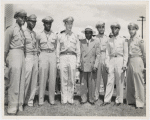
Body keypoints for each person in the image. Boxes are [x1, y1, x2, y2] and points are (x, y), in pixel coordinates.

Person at [5, 9, 27, 115]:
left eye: (24, 17)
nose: (23, 19)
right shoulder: (10, 29)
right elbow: (5, 47)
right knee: (14, 82)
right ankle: (12, 107)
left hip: (21, 55)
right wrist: (5, 61)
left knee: (21, 81)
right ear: (16, 18)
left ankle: (19, 104)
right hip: (13, 54)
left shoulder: (22, 31)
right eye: (21, 17)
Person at [101, 23, 128, 106]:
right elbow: (107, 53)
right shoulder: (109, 40)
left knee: (119, 80)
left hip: (120, 59)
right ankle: (107, 100)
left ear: (119, 29)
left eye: (116, 28)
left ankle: (119, 100)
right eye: (112, 28)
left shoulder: (123, 40)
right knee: (110, 80)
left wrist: (124, 64)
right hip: (112, 60)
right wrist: (107, 64)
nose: (114, 30)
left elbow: (126, 53)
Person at [56, 17, 80, 104]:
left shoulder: (75, 35)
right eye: (68, 23)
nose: (70, 25)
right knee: (63, 78)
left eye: (71, 23)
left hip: (72, 57)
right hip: (63, 56)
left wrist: (78, 61)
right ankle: (64, 98)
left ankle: (70, 98)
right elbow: (58, 49)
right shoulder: (60, 35)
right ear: (65, 24)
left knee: (71, 79)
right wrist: (58, 61)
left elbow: (78, 50)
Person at [37, 16, 57, 105]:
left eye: (50, 23)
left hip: (52, 54)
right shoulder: (39, 34)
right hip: (43, 54)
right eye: (47, 23)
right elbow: (37, 47)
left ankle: (51, 99)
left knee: (52, 77)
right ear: (44, 24)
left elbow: (56, 46)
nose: (48, 25)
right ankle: (41, 99)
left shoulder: (54, 35)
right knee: (42, 77)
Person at [126, 23, 146, 109]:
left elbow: (144, 53)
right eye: (130, 29)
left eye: (133, 29)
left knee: (138, 82)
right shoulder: (129, 40)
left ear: (136, 30)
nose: (131, 31)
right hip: (130, 60)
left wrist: (145, 65)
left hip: (138, 60)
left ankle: (140, 102)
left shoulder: (140, 40)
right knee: (130, 81)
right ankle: (131, 100)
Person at [79, 26, 100, 105]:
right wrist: (79, 64)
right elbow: (79, 54)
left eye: (89, 32)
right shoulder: (81, 42)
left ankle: (91, 99)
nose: (87, 34)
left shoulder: (96, 42)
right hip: (83, 65)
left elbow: (98, 55)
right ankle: (83, 98)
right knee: (83, 83)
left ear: (92, 33)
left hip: (92, 65)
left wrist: (96, 66)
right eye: (86, 33)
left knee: (92, 83)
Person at [24, 14, 38, 107]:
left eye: (35, 22)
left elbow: (36, 46)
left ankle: (30, 100)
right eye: (31, 21)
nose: (33, 23)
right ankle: (23, 99)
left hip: (34, 56)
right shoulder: (23, 32)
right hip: (27, 56)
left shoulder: (34, 33)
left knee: (34, 80)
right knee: (26, 79)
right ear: (27, 21)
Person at [95, 21, 108, 101]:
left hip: (105, 57)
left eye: (102, 27)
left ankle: (106, 96)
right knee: (97, 78)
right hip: (97, 57)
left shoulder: (107, 38)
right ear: (97, 28)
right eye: (99, 27)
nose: (101, 29)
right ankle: (96, 95)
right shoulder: (95, 38)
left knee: (106, 78)